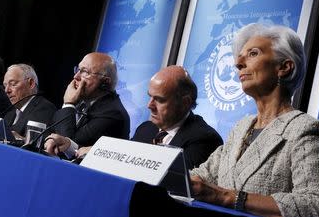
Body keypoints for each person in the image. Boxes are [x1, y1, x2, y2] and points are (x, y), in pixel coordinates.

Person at [190, 23, 319, 217]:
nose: (238, 63)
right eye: (240, 56)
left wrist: (228, 197)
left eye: (253, 53)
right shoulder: (241, 128)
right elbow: (202, 176)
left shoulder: (305, 129)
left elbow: (318, 204)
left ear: (284, 67)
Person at [47, 65, 222, 172]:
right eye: (149, 97)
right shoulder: (146, 129)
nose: (149, 105)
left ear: (185, 102)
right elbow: (124, 160)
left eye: (159, 100)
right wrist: (72, 147)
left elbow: (167, 178)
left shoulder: (204, 139)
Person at [45, 52, 130, 157]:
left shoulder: (112, 113)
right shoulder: (82, 102)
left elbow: (65, 144)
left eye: (85, 72)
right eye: (78, 70)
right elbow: (50, 132)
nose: (76, 76)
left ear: (105, 82)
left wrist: (68, 104)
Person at [3, 64, 56, 140]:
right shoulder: (9, 114)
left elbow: (37, 144)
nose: (6, 90)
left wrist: (19, 140)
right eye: (5, 86)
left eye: (13, 84)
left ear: (31, 83)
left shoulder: (44, 108)